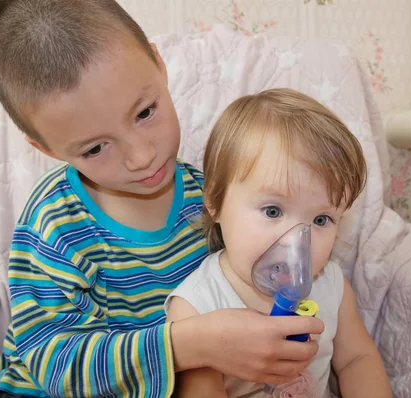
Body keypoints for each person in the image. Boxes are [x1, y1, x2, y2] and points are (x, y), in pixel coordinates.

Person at [0, 1, 323, 396]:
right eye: (94, 149)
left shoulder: (212, 199)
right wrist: (192, 343)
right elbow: (55, 365)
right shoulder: (53, 223)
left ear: (160, 65)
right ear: (47, 148)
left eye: (144, 112)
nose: (141, 156)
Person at [166, 88, 392, 398]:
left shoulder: (332, 286)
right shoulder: (197, 306)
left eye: (322, 220)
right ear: (214, 201)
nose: (295, 243)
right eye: (273, 211)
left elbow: (357, 359)